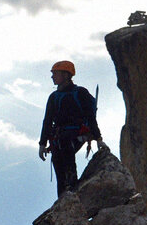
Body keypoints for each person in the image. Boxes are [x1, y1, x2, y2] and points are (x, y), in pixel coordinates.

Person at [37, 60, 107, 198]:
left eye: (55, 74)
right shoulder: (53, 97)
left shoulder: (80, 93)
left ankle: (72, 187)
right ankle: (63, 197)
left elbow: (90, 117)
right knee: (57, 159)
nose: (52, 77)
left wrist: (98, 138)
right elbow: (47, 121)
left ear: (66, 75)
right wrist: (42, 144)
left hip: (76, 134)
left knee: (65, 146)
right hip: (60, 137)